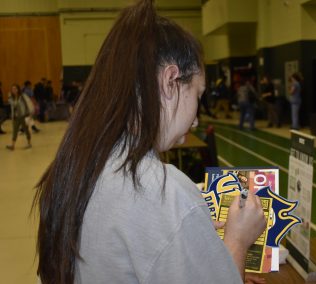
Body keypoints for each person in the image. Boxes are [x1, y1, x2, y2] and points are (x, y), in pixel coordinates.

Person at [32, 1, 267, 283]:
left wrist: (190, 235)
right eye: (197, 95)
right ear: (170, 81)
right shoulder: (161, 191)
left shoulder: (80, 165)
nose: (196, 119)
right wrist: (238, 242)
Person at [6, 84, 32, 150]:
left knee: (26, 130)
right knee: (15, 131)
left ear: (18, 89)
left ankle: (29, 143)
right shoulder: (12, 98)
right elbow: (14, 105)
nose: (14, 90)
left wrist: (29, 114)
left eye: (15, 89)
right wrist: (9, 98)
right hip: (16, 117)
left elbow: (28, 104)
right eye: (12, 89)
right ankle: (13, 145)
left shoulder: (22, 96)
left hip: (23, 116)